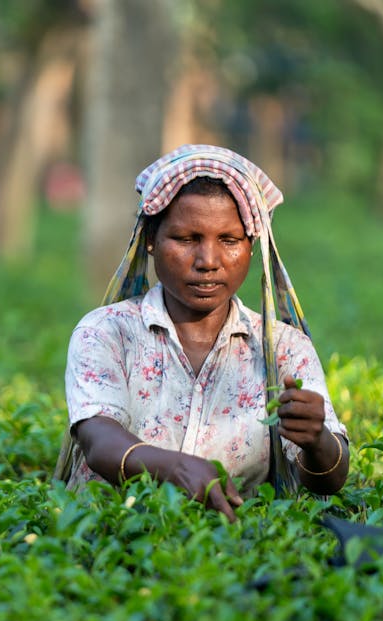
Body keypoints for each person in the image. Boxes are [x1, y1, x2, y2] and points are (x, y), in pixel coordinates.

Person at [54, 144, 349, 522]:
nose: (208, 262)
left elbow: (331, 479)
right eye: (186, 239)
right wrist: (173, 468)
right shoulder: (106, 333)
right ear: (150, 240)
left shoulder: (284, 349)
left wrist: (315, 440)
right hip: (110, 538)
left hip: (232, 553)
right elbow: (98, 440)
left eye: (229, 240)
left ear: (250, 246)